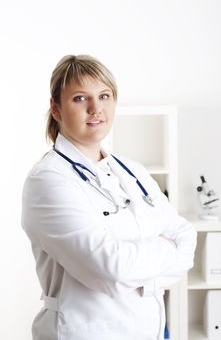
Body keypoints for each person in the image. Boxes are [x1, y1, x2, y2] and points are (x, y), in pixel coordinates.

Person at [21, 54, 197, 340]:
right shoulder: (48, 180)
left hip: (148, 329)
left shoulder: (132, 170)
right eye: (80, 98)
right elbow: (110, 267)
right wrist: (165, 251)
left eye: (104, 96)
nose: (95, 109)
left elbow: (186, 237)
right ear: (56, 108)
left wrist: (131, 271)